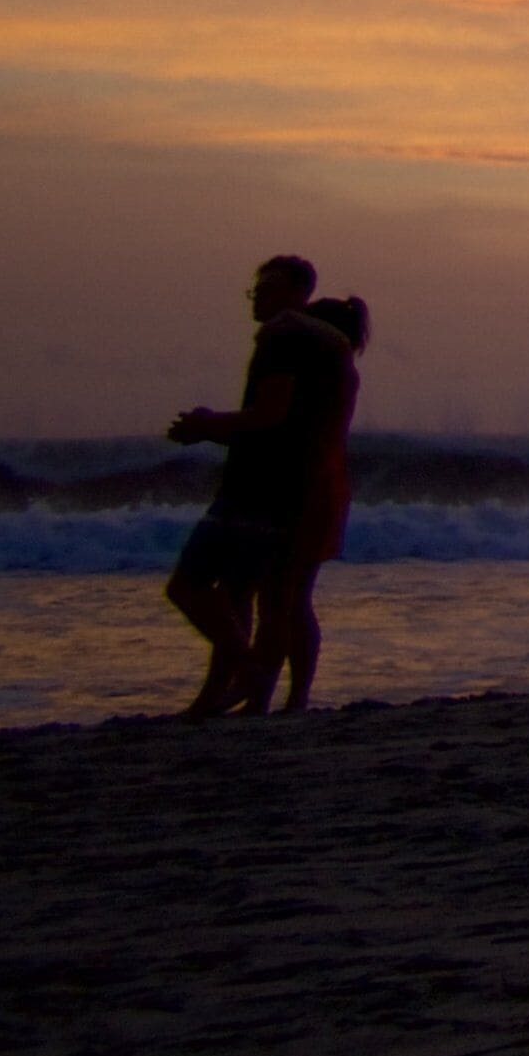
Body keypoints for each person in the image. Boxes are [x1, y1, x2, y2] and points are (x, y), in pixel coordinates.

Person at [164, 255, 356, 719]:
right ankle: (248, 696)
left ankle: (255, 680)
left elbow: (272, 416)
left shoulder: (285, 337)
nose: (257, 297)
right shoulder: (332, 352)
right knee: (255, 596)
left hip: (268, 487)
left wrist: (208, 426)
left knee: (209, 589)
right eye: (255, 289)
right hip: (301, 487)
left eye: (266, 287)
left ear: (297, 292)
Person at [242, 293, 370, 713]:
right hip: (320, 489)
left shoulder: (332, 374)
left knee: (282, 599)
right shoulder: (337, 372)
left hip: (310, 490)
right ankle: (287, 695)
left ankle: (274, 694)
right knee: (288, 599)